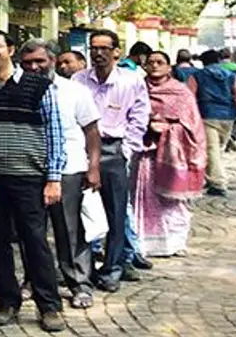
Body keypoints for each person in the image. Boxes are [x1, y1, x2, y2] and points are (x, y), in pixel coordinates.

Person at [0, 30, 66, 332]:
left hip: (30, 178)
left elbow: (55, 133)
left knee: (35, 242)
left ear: (10, 49)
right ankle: (7, 301)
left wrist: (53, 178)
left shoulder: (40, 86)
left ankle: (48, 305)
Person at [18, 40, 101, 309]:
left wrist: (94, 166)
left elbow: (91, 131)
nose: (34, 67)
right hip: (29, 169)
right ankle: (33, 280)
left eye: (39, 61)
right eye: (28, 63)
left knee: (69, 229)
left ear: (52, 61)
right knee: (31, 230)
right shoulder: (17, 90)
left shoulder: (74, 91)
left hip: (69, 168)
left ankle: (79, 283)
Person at [72, 29, 150, 290]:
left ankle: (112, 269)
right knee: (78, 212)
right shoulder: (78, 80)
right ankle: (80, 270)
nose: (99, 53)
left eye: (105, 48)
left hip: (114, 150)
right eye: (94, 48)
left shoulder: (131, 81)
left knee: (116, 213)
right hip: (80, 151)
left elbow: (139, 118)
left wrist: (126, 150)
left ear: (117, 51)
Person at [134, 52, 206, 257]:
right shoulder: (137, 89)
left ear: (169, 67)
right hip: (144, 153)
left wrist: (166, 129)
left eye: (160, 63)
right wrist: (147, 126)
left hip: (174, 155)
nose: (155, 66)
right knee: (143, 197)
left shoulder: (181, 93)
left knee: (172, 202)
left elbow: (192, 125)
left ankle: (174, 242)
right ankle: (144, 243)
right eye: (150, 62)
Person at [187, 50, 236, 197]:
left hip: (207, 115)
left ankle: (218, 183)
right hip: (228, 117)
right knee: (217, 149)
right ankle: (211, 178)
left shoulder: (197, 76)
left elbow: (189, 97)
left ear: (203, 62)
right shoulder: (231, 76)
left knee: (212, 150)